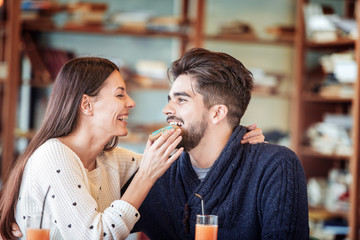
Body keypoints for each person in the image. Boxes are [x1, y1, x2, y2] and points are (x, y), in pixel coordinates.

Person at [0, 57, 264, 239]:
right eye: (119, 94)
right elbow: (94, 236)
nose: (131, 102)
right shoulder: (54, 155)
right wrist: (146, 176)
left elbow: (180, 164)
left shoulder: (108, 159)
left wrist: (234, 138)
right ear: (87, 105)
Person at [132, 48, 309, 239]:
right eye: (169, 100)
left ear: (217, 113)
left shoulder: (276, 166)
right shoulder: (157, 171)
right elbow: (101, 227)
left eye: (181, 100)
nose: (166, 109)